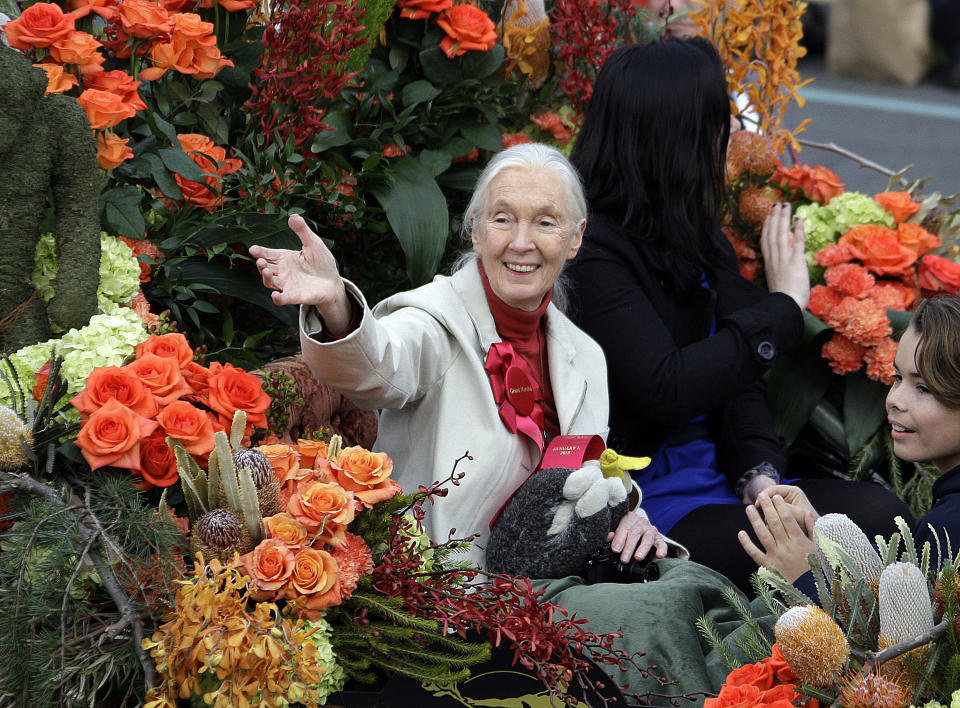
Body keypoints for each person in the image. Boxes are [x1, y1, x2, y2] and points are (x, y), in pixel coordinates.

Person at [566, 38, 913, 592]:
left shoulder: (696, 235)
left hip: (725, 485)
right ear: (677, 137)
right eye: (716, 125)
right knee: (835, 549)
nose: (726, 143)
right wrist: (784, 307)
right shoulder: (592, 249)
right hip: (648, 505)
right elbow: (667, 386)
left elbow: (738, 386)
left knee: (881, 518)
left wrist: (760, 477)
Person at [249, 142, 669, 571]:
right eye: (503, 219)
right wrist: (336, 304)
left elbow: (591, 473)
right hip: (456, 596)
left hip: (568, 577)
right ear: (476, 229)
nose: (521, 243)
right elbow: (378, 366)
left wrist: (632, 518)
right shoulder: (434, 320)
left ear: (575, 238)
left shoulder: (586, 354)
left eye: (545, 222)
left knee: (689, 593)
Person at [743, 295, 960, 579]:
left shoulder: (949, 525)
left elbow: (906, 622)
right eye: (897, 378)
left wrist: (807, 578)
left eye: (923, 388)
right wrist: (823, 532)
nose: (894, 399)